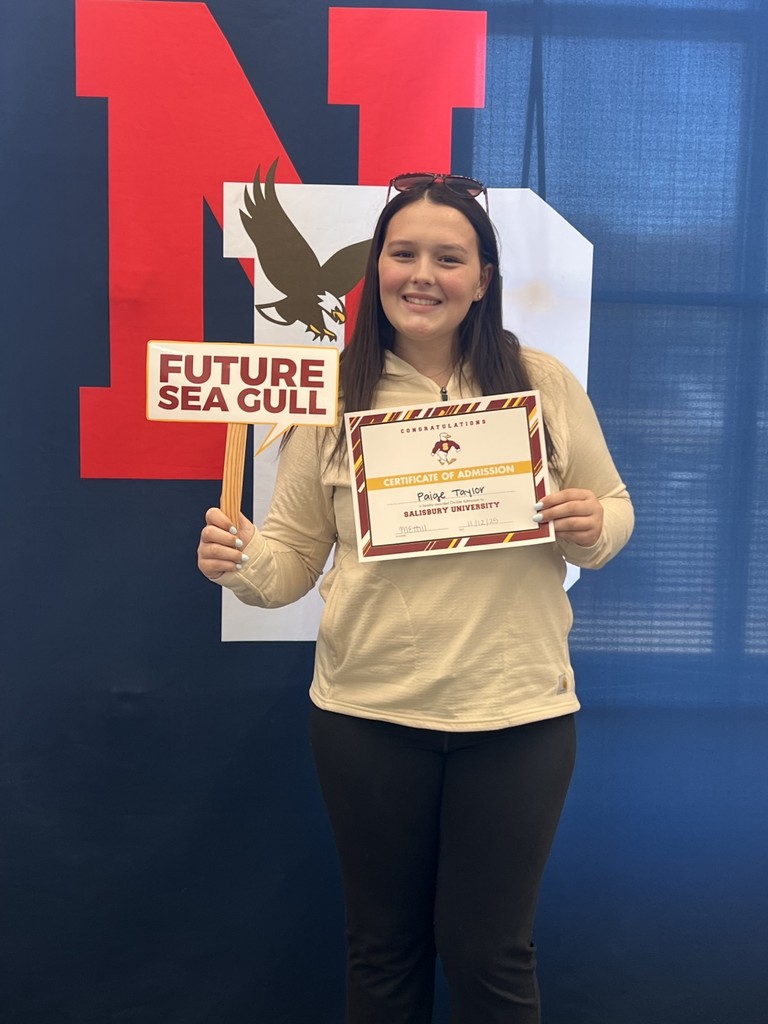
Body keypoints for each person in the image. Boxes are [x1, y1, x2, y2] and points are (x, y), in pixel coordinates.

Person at [198, 172, 634, 1024]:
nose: (422, 274)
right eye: (403, 254)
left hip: (516, 719)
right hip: (368, 718)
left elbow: (614, 508)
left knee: (493, 956)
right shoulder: (331, 399)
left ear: (482, 278)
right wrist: (241, 562)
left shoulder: (540, 383)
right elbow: (289, 561)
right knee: (384, 951)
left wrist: (590, 526)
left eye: (449, 256)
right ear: (377, 270)